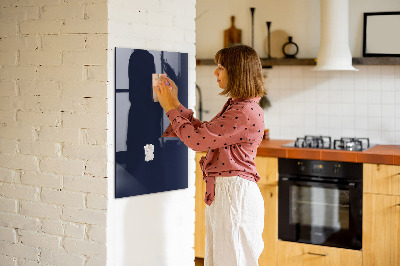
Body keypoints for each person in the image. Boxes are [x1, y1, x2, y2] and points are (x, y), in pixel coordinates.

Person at [153, 44, 267, 266]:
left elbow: (197, 141)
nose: (215, 72)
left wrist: (169, 108)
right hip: (229, 193)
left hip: (234, 195)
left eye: (221, 67)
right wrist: (175, 103)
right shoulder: (239, 106)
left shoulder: (243, 111)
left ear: (237, 71)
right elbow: (205, 133)